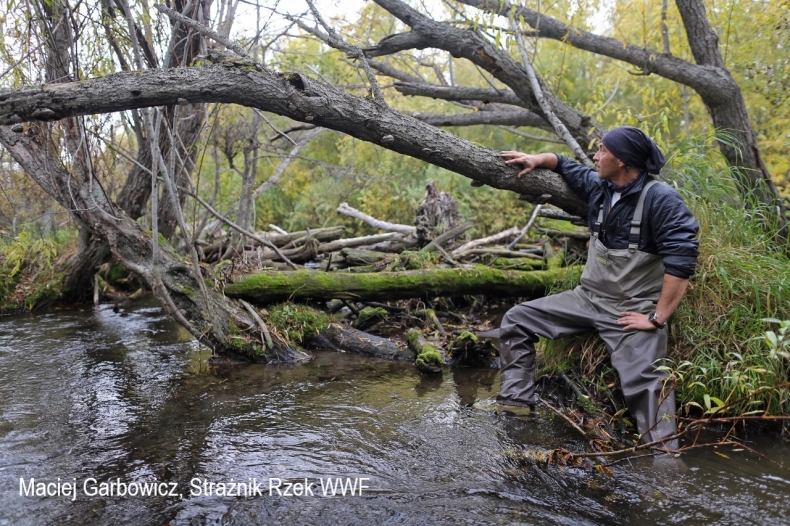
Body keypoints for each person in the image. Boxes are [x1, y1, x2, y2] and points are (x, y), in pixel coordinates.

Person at [498, 126, 699, 451]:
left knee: (649, 388)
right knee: (516, 319)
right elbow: (564, 164)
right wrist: (536, 159)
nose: (595, 156)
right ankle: (515, 408)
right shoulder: (600, 186)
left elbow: (683, 259)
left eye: (603, 150)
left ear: (622, 162)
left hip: (631, 309)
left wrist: (657, 318)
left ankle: (664, 465)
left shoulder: (661, 199)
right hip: (586, 299)